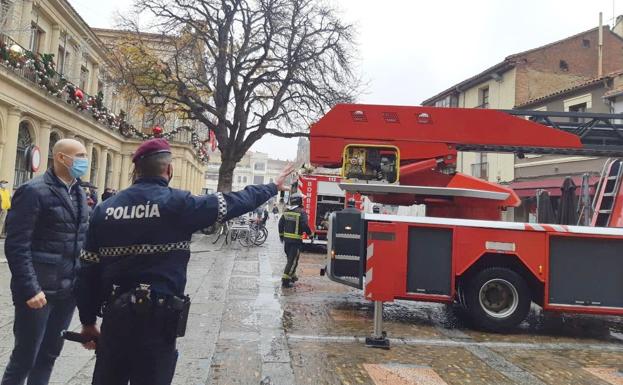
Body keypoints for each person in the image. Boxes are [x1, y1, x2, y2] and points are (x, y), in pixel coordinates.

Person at [74, 138, 293, 385]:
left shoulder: (105, 210)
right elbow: (233, 202)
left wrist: (88, 321)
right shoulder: (180, 204)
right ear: (168, 170)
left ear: (136, 171)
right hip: (160, 317)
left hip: (117, 315)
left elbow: (87, 271)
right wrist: (271, 187)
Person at [2, 139, 89, 385]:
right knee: (25, 357)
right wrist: (31, 288)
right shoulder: (33, 190)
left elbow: (80, 241)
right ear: (61, 158)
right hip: (38, 293)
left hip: (66, 291)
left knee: (49, 355)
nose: (84, 161)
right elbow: (17, 245)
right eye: (80, 155)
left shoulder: (79, 191)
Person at [278, 193, 312, 288]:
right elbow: (305, 225)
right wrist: (310, 234)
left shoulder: (286, 211)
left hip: (287, 241)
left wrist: (281, 236)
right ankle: (285, 280)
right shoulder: (301, 212)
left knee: (291, 259)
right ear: (299, 201)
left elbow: (280, 224)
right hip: (296, 242)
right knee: (292, 261)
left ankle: (292, 276)